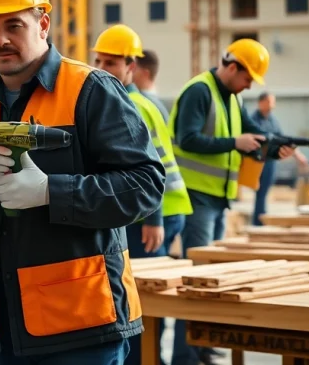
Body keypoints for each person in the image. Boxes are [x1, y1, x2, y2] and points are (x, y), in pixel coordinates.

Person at [0, 0, 165, 365]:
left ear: (43, 24)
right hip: (1, 329)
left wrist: (50, 192)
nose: (0, 39)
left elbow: (145, 185)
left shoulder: (91, 91)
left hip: (82, 328)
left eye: (13, 25)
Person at [169, 39, 296, 365]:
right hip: (197, 196)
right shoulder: (200, 91)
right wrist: (235, 142)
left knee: (212, 276)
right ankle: (187, 354)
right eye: (247, 77)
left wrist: (276, 145)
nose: (250, 84)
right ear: (232, 67)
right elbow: (188, 139)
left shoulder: (231, 97)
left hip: (219, 197)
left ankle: (203, 343)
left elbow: (253, 133)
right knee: (198, 277)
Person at [92, 24, 192, 365]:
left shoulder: (132, 104)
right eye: (99, 61)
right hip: (159, 210)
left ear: (131, 67)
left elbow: (153, 169)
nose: (103, 69)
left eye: (111, 63)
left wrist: (154, 218)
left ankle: (147, 359)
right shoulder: (135, 100)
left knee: (144, 295)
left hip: (152, 214)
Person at [250, 92, 306, 226]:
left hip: (270, 162)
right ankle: (258, 222)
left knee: (264, 191)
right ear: (261, 102)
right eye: (270, 102)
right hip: (257, 162)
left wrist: (297, 154)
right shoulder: (253, 120)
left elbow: (282, 138)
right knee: (260, 191)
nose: (272, 106)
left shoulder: (272, 120)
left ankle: (260, 220)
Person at [134, 50, 170, 122]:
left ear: (145, 73)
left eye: (134, 69)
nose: (130, 72)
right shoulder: (162, 104)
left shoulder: (141, 103)